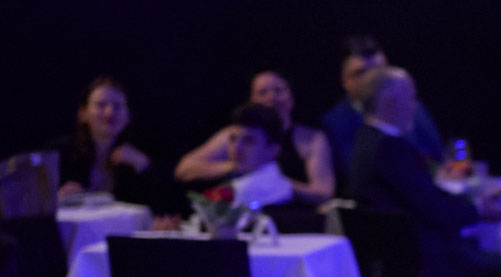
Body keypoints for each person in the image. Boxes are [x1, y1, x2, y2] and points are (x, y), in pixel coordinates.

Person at [345, 67, 501, 277]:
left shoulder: (365, 140)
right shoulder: (389, 148)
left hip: (400, 260)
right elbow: (433, 209)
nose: (415, 106)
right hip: (422, 266)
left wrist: (472, 205)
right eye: (411, 97)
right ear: (392, 102)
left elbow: (422, 197)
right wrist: (478, 210)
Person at [174, 71, 334, 204]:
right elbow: (184, 169)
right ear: (251, 100)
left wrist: (273, 181)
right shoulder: (233, 134)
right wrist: (233, 166)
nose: (271, 97)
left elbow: (324, 192)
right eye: (262, 92)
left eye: (278, 90)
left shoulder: (312, 139)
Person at [321, 36, 445, 185]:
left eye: (378, 71)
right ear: (344, 80)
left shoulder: (411, 107)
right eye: (360, 73)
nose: (371, 79)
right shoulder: (335, 123)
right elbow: (354, 174)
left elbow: (436, 155)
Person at [49, 77, 166, 209]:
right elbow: (38, 201)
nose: (109, 113)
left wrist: (143, 165)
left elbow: (161, 206)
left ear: (128, 115)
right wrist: (57, 198)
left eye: (117, 106)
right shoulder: (60, 151)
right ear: (83, 113)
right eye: (101, 105)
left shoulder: (144, 150)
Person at [210, 102, 295, 210]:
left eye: (248, 141)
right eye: (233, 139)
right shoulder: (283, 184)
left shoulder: (244, 190)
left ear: (274, 149)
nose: (237, 148)